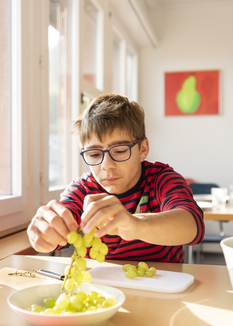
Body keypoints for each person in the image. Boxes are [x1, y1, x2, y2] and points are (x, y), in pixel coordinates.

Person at [27, 93, 205, 263]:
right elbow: (59, 228)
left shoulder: (161, 179)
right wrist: (46, 231)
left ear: (142, 149)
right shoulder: (83, 189)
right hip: (103, 289)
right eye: (95, 154)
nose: (106, 165)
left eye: (120, 151)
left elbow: (193, 226)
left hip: (164, 286)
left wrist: (135, 225)